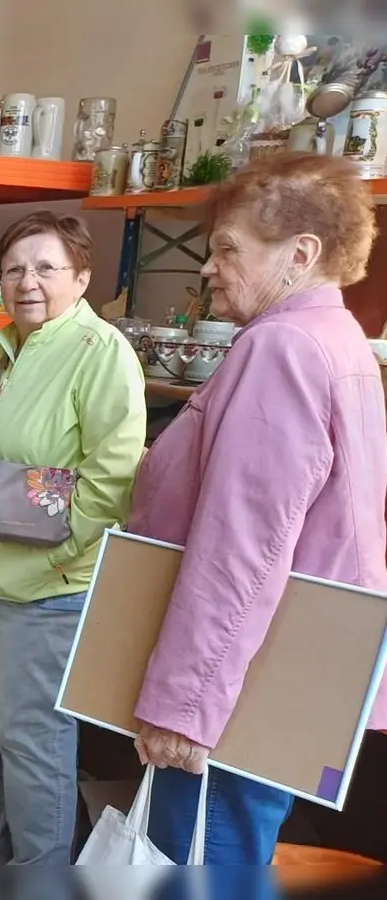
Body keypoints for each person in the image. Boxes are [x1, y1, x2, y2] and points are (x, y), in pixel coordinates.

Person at [129, 152, 387, 864]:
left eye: (227, 248)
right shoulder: (339, 341)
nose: (208, 267)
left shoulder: (281, 348)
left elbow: (242, 548)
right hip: (291, 665)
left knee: (200, 859)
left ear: (300, 255)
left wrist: (185, 706)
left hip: (243, 681)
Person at [0, 212, 146, 865]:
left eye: (46, 268)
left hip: (46, 588)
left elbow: (111, 479)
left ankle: (38, 876)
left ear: (81, 278)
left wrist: (54, 555)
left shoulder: (100, 351)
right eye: (13, 269)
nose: (27, 282)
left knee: (32, 740)